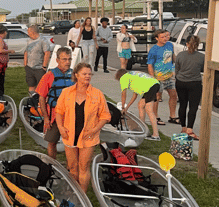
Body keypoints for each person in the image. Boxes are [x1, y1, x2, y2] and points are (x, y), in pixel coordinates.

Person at [55, 63, 111, 191]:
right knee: (73, 166)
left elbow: (105, 116)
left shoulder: (97, 94)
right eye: (84, 74)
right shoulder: (66, 92)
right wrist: (60, 127)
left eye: (89, 74)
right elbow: (58, 111)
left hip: (88, 136)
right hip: (69, 135)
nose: (88, 76)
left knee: (84, 166)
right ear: (76, 75)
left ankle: (84, 197)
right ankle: (75, 194)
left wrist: (94, 129)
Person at [35, 47, 74, 159]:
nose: (67, 62)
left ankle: (70, 168)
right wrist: (46, 118)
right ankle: (52, 164)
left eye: (69, 59)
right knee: (52, 142)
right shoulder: (49, 76)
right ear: (57, 60)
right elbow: (42, 98)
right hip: (54, 116)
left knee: (71, 144)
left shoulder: (74, 75)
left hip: (71, 116)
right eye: (64, 59)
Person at [116, 68, 162, 141]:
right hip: (154, 84)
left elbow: (123, 94)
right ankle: (143, 130)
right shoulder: (132, 76)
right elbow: (134, 96)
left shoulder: (123, 78)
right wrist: (126, 108)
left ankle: (156, 135)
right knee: (140, 105)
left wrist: (122, 107)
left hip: (150, 87)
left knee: (149, 110)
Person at [176, 35, 205, 140]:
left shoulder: (180, 55)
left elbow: (177, 69)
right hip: (194, 83)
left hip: (180, 82)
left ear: (186, 44)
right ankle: (189, 130)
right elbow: (202, 69)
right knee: (193, 107)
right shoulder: (202, 57)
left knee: (182, 104)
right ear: (198, 45)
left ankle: (183, 127)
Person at [147, 29, 178, 125]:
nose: (165, 38)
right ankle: (155, 117)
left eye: (166, 36)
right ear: (156, 38)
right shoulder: (154, 50)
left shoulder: (170, 45)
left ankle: (172, 116)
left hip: (169, 75)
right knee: (157, 97)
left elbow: (173, 57)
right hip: (158, 76)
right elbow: (150, 64)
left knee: (173, 95)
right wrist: (153, 78)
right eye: (162, 37)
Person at [24, 25, 51, 94]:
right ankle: (32, 99)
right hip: (29, 67)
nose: (27, 33)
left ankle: (39, 101)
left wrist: (44, 66)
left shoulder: (43, 40)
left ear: (33, 32)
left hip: (39, 68)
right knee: (31, 85)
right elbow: (26, 52)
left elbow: (47, 53)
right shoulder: (29, 40)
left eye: (28, 31)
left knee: (40, 86)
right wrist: (25, 64)